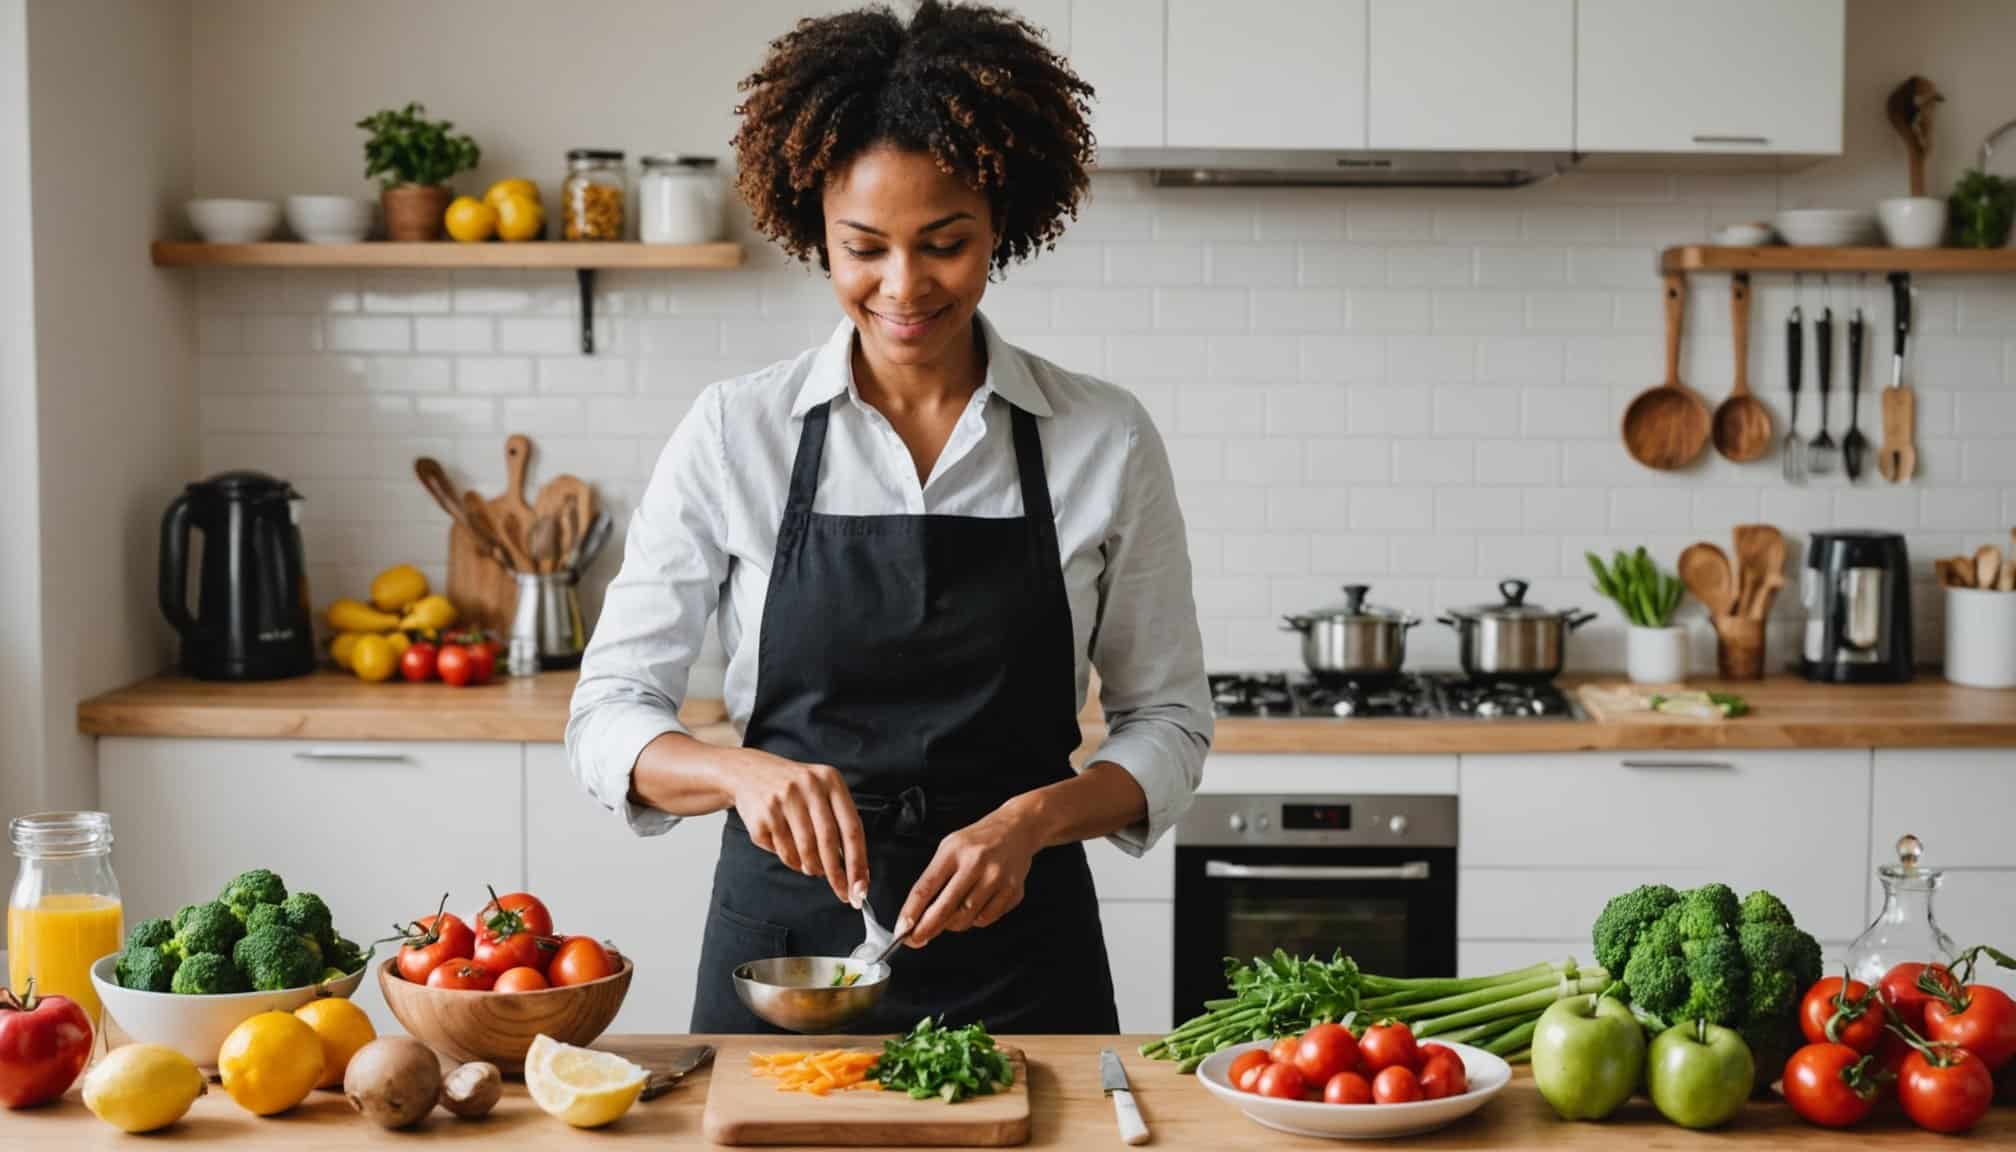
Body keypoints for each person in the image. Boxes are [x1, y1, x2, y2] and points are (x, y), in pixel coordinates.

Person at [567, 0, 1211, 1033]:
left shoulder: (1104, 438)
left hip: (1022, 956)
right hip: (782, 964)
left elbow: (1171, 724)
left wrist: (1038, 818)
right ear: (814, 231)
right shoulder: (739, 431)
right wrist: (739, 775)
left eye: (944, 244)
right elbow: (607, 717)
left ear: (1003, 222)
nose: (903, 287)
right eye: (862, 247)